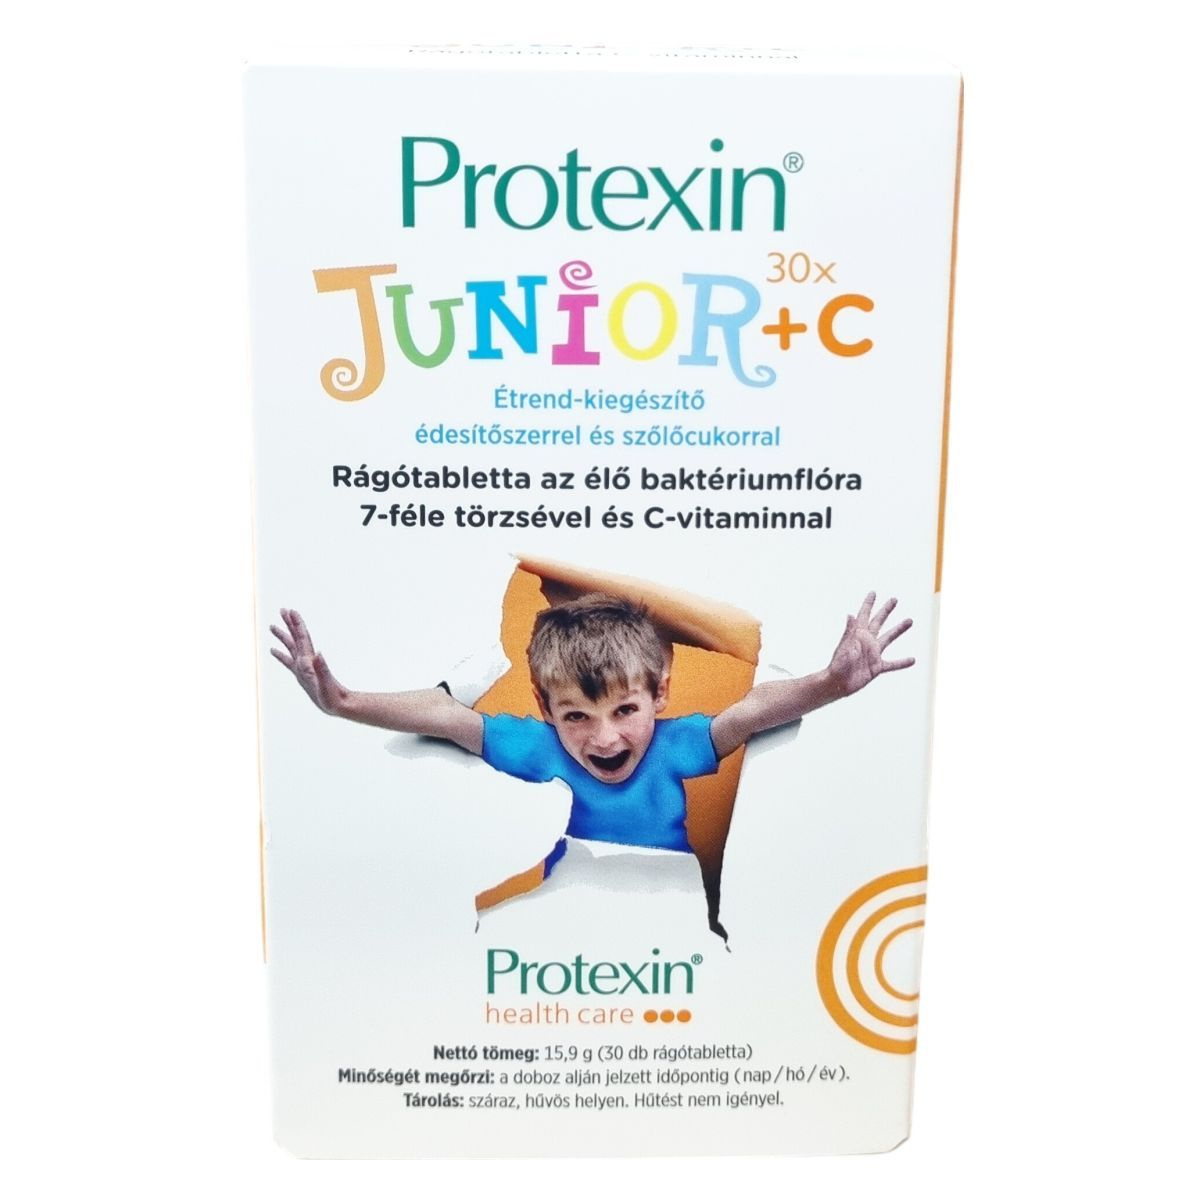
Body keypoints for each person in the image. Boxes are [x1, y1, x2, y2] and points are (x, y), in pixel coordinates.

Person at [270, 591, 914, 861]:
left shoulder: (675, 745)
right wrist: (343, 701)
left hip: (665, 908)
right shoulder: (536, 747)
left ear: (659, 694)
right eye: (577, 716)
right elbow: (445, 716)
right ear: (545, 707)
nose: (604, 739)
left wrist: (830, 683)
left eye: (625, 711)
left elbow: (750, 710)